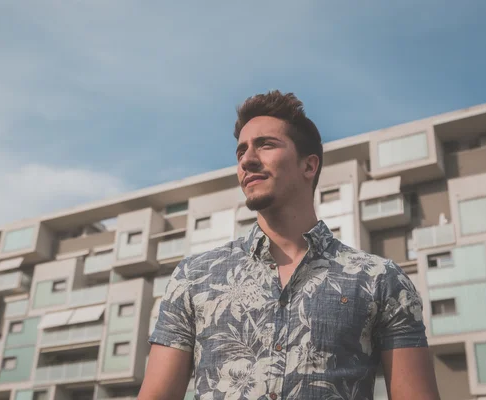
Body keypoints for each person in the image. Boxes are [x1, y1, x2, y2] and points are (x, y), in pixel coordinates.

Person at [139, 90, 440, 400]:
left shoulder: (380, 280)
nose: (247, 160)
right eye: (241, 151)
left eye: (266, 145)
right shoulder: (194, 276)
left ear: (309, 166)